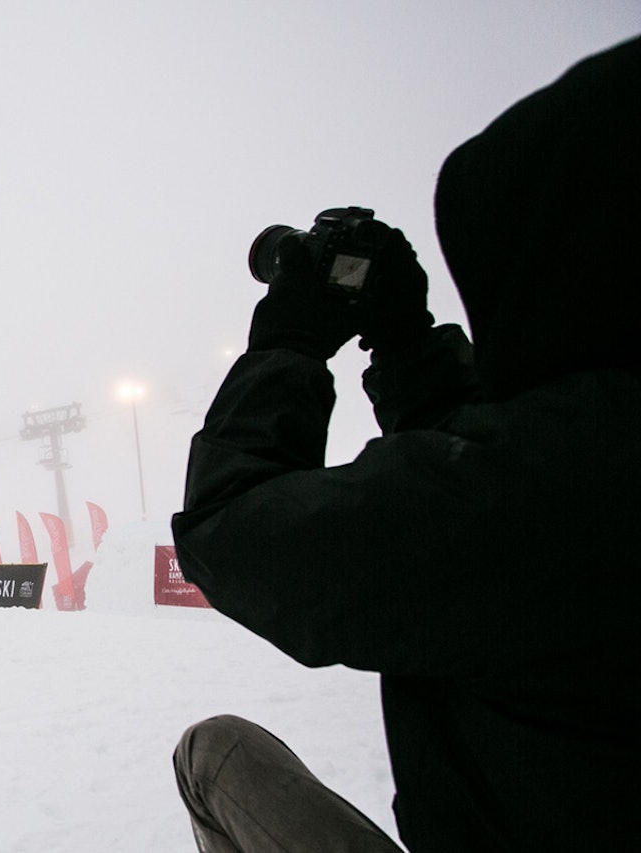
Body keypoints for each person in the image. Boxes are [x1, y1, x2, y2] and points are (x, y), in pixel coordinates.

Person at [169, 36, 641, 852]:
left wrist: (287, 346)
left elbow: (229, 533)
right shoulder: (585, 445)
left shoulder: (562, 484)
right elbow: (475, 488)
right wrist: (407, 341)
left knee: (211, 756)